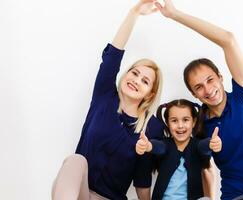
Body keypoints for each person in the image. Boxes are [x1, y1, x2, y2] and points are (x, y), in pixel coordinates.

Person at [154, 1, 243, 200]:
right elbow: (201, 167)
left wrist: (175, 15)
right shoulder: (201, 125)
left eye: (210, 80)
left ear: (221, 77)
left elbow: (228, 40)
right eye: (199, 87)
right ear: (195, 94)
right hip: (238, 196)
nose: (208, 89)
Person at [51, 1, 164, 199]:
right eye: (134, 73)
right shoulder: (105, 96)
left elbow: (142, 177)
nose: (136, 80)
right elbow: (113, 56)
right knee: (76, 161)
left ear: (150, 94)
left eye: (145, 81)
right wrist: (134, 12)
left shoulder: (151, 127)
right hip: (78, 193)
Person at [136, 99, 222, 200]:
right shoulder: (166, 144)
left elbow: (204, 146)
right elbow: (159, 147)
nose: (180, 126)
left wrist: (211, 144)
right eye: (174, 121)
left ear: (193, 122)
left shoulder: (197, 145)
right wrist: (148, 146)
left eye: (185, 120)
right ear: (168, 123)